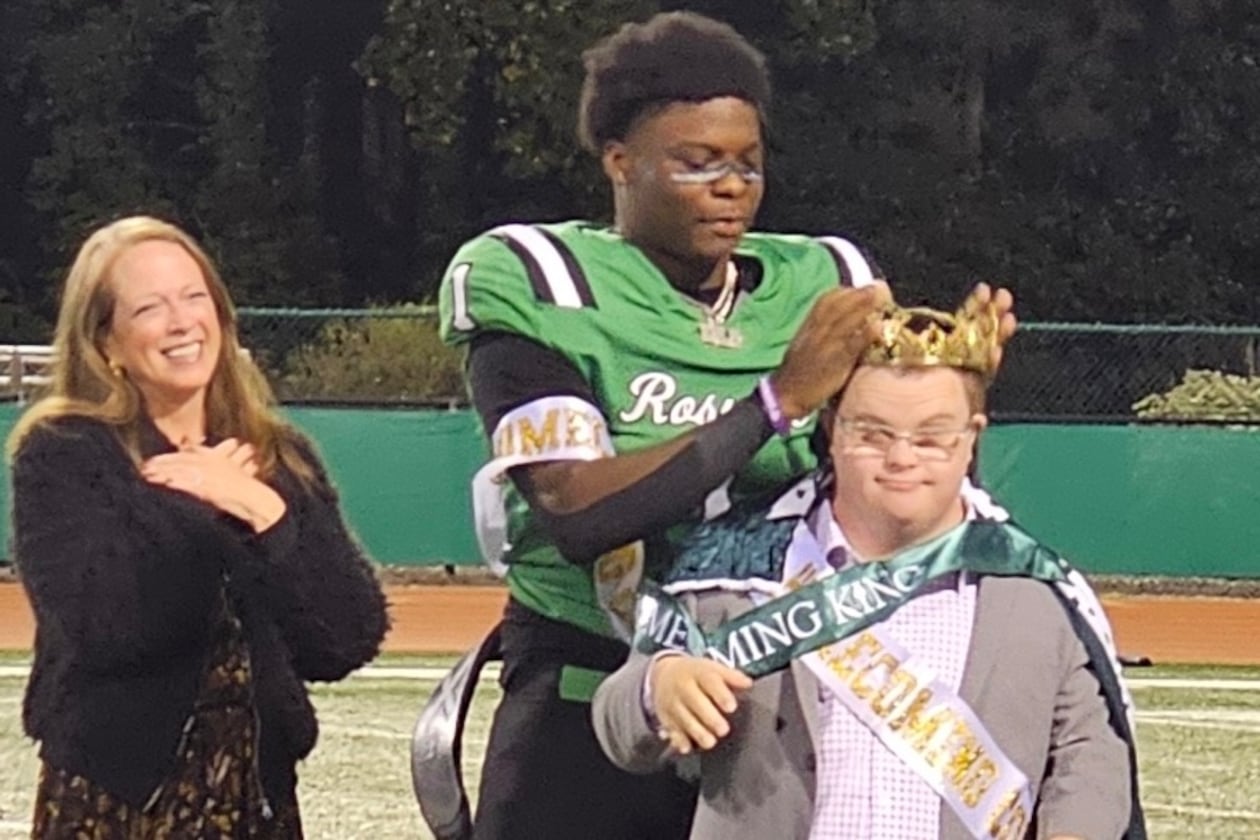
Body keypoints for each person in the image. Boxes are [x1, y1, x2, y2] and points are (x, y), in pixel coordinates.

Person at [422, 11, 1014, 840]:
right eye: (697, 164)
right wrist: (773, 403)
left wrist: (947, 385)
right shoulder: (538, 280)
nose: (730, 186)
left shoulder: (822, 279)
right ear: (620, 162)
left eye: (746, 163)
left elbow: (887, 494)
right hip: (593, 682)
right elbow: (577, 509)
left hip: (776, 698)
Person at [592, 303, 1144, 840]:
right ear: (832, 429)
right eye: (873, 434)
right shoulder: (738, 568)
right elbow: (618, 724)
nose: (902, 458)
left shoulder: (1033, 587)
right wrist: (656, 684)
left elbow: (1089, 747)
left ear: (972, 435)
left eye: (931, 438)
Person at [9, 215, 390, 839]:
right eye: (150, 309)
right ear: (108, 344)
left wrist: (265, 513)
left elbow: (346, 639)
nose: (183, 321)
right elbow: (104, 627)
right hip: (114, 803)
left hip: (257, 802)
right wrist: (200, 503)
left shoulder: (277, 456)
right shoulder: (63, 451)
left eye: (194, 297)